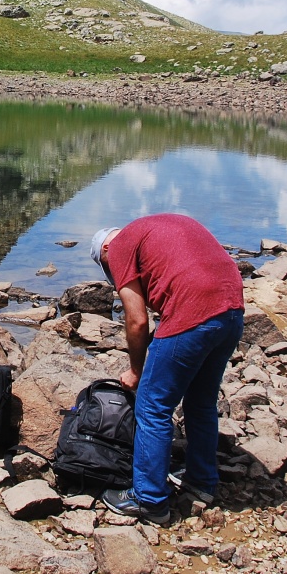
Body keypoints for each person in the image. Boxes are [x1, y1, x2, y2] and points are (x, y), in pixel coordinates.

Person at [89, 214, 244, 524]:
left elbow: (137, 319)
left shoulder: (118, 248)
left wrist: (135, 370)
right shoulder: (158, 228)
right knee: (200, 403)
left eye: (108, 270)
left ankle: (149, 500)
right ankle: (202, 482)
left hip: (194, 310)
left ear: (105, 252)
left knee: (153, 406)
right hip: (232, 310)